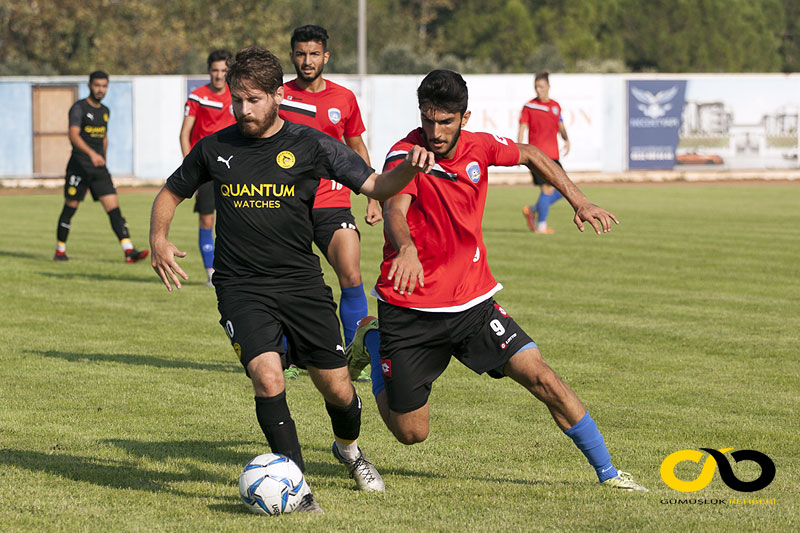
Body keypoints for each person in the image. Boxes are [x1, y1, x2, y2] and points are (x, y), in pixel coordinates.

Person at [149, 46, 435, 512]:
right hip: (241, 288)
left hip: (301, 285)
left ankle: (349, 450)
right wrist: (158, 237)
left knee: (339, 390)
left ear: (278, 96)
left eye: (254, 100)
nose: (243, 110)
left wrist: (409, 169)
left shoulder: (311, 144)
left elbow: (377, 186)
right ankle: (297, 489)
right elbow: (171, 191)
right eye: (237, 100)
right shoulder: (215, 148)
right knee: (267, 376)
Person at [347, 70, 647, 492]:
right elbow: (396, 208)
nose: (435, 132)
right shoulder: (405, 154)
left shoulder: (481, 147)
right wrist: (407, 248)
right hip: (411, 309)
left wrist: (578, 201)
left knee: (542, 377)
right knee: (411, 433)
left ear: (464, 118)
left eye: (446, 122)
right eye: (428, 120)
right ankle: (373, 341)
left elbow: (532, 154)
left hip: (474, 304)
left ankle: (610, 474)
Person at [278, 26, 381, 376]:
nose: (307, 61)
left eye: (314, 54)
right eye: (301, 54)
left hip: (332, 199)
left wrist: (373, 196)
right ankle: (286, 355)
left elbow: (356, 147)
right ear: (293, 55)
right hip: (284, 203)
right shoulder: (279, 96)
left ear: (326, 56)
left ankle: (355, 356)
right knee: (285, 281)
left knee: (351, 274)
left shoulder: (344, 98)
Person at [54, 70, 148, 263]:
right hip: (79, 167)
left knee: (114, 209)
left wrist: (103, 158)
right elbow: (73, 135)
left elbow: (104, 137)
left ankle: (129, 251)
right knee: (70, 208)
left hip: (99, 169)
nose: (100, 89)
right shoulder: (78, 108)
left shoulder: (105, 111)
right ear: (89, 85)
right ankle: (60, 251)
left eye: (104, 86)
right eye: (97, 85)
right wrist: (91, 154)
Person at [179, 49, 236, 287]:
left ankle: (236, 269)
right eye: (215, 70)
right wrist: (190, 171)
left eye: (224, 70)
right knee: (206, 220)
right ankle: (211, 273)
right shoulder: (197, 96)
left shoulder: (238, 96)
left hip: (234, 167)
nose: (219, 75)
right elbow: (184, 135)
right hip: (207, 168)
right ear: (208, 70)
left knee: (238, 219)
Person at [518, 70, 570, 234]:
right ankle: (541, 226)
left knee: (564, 189)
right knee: (547, 189)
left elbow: (561, 126)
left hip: (553, 156)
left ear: (548, 86)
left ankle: (532, 210)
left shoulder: (555, 106)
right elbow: (522, 129)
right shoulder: (529, 106)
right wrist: (518, 151)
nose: (538, 90)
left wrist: (567, 139)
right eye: (536, 87)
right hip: (536, 156)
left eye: (541, 86)